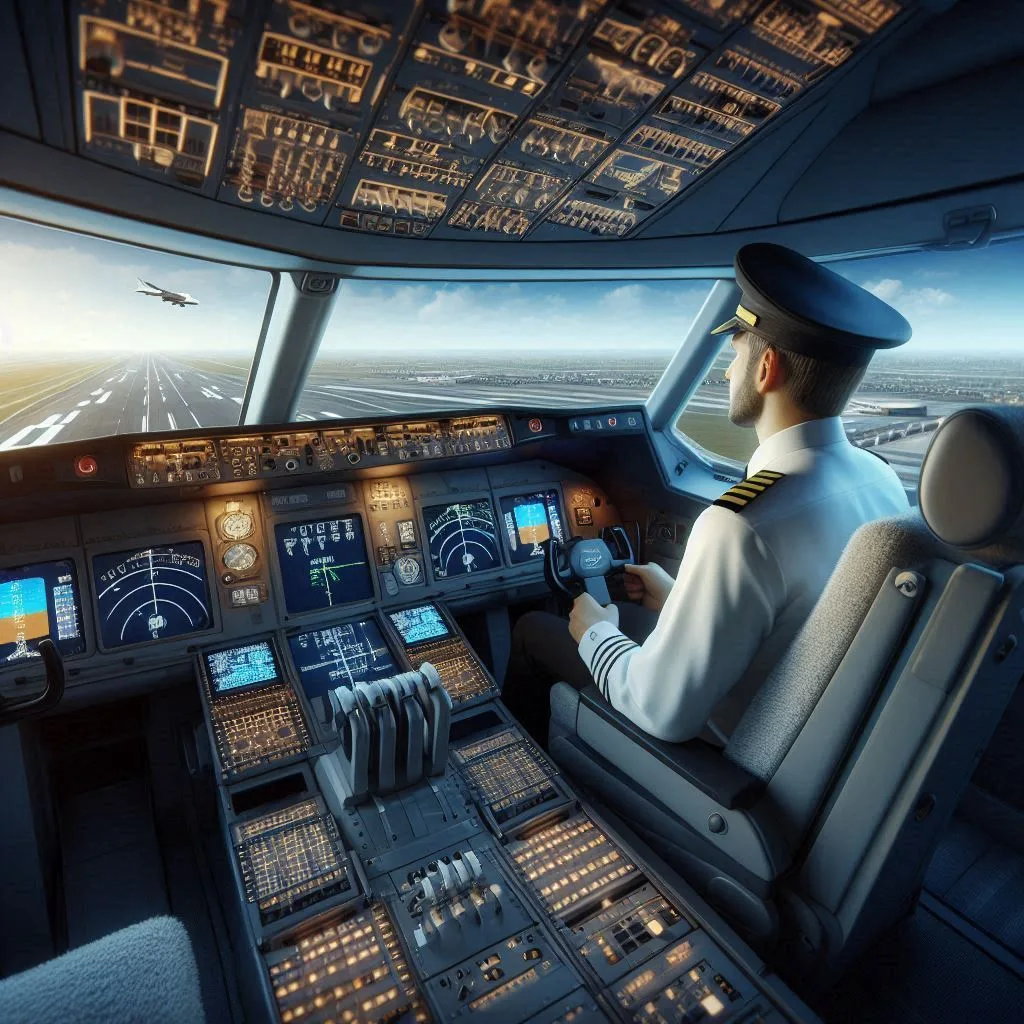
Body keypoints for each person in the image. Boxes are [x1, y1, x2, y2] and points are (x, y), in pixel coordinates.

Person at [501, 242, 912, 747]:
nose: (725, 372)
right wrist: (678, 595)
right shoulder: (882, 480)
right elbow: (798, 632)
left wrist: (594, 633)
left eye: (736, 354)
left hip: (724, 763)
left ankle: (524, 773)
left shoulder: (742, 524)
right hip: (807, 733)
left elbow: (660, 710)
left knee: (533, 630)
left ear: (767, 371)